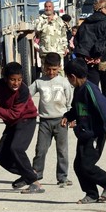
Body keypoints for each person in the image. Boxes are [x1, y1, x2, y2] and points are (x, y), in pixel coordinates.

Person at [62, 60, 106, 204]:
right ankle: (92, 193)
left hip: (95, 134)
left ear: (72, 77)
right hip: (84, 133)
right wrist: (68, 116)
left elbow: (103, 106)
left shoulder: (90, 89)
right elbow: (78, 110)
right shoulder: (78, 90)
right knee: (78, 166)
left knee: (87, 165)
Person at [0, 62, 43, 194]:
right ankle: (29, 174)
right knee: (0, 156)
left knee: (16, 148)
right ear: (5, 79)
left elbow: (14, 114)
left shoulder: (23, 90)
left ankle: (35, 183)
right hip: (12, 124)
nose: (16, 83)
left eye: (19, 80)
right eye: (12, 80)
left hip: (26, 120)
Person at [29, 52, 73, 188]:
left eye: (54, 69)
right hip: (44, 122)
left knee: (62, 151)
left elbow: (70, 102)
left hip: (61, 121)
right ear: (43, 67)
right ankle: (36, 174)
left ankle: (63, 177)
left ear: (59, 67)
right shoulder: (39, 82)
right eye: (48, 69)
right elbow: (26, 95)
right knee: (40, 149)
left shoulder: (65, 82)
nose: (51, 72)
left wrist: (71, 117)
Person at [74, 0, 106, 102]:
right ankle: (105, 111)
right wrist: (99, 56)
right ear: (102, 9)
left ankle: (92, 110)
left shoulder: (85, 23)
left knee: (91, 88)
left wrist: (86, 57)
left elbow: (77, 40)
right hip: (104, 60)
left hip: (88, 61)